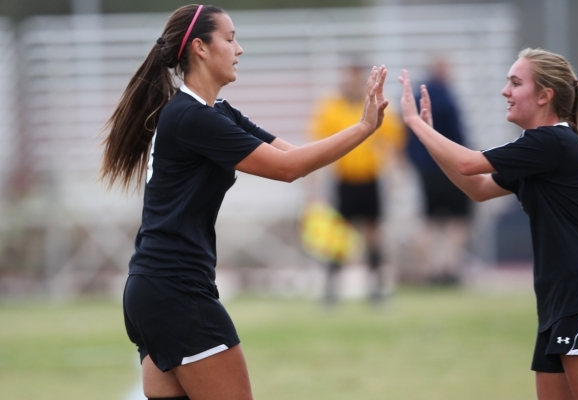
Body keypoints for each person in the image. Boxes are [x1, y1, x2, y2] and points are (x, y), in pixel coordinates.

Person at [99, 5, 389, 400]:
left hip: (153, 288)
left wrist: (360, 130)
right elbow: (288, 169)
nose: (240, 49)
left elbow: (295, 156)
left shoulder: (217, 112)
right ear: (200, 48)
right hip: (175, 288)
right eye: (231, 38)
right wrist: (364, 127)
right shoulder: (192, 119)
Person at [399, 48, 578, 399]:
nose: (505, 91)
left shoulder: (552, 141)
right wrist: (430, 138)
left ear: (544, 95)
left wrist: (416, 124)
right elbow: (477, 188)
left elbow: (468, 165)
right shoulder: (538, 149)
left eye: (515, 82)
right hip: (558, 302)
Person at [309, 58, 405, 304]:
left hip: (370, 178)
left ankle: (376, 288)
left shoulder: (375, 105)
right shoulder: (331, 106)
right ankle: (332, 289)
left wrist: (395, 177)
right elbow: (318, 143)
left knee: (374, 235)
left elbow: (393, 142)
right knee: (338, 236)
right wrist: (315, 184)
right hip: (345, 179)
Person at [405, 58, 472, 285]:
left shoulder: (414, 98)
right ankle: (449, 268)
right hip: (448, 165)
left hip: (425, 168)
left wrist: (416, 161)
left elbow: (407, 137)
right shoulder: (447, 98)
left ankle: (427, 270)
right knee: (458, 219)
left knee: (428, 220)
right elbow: (459, 135)